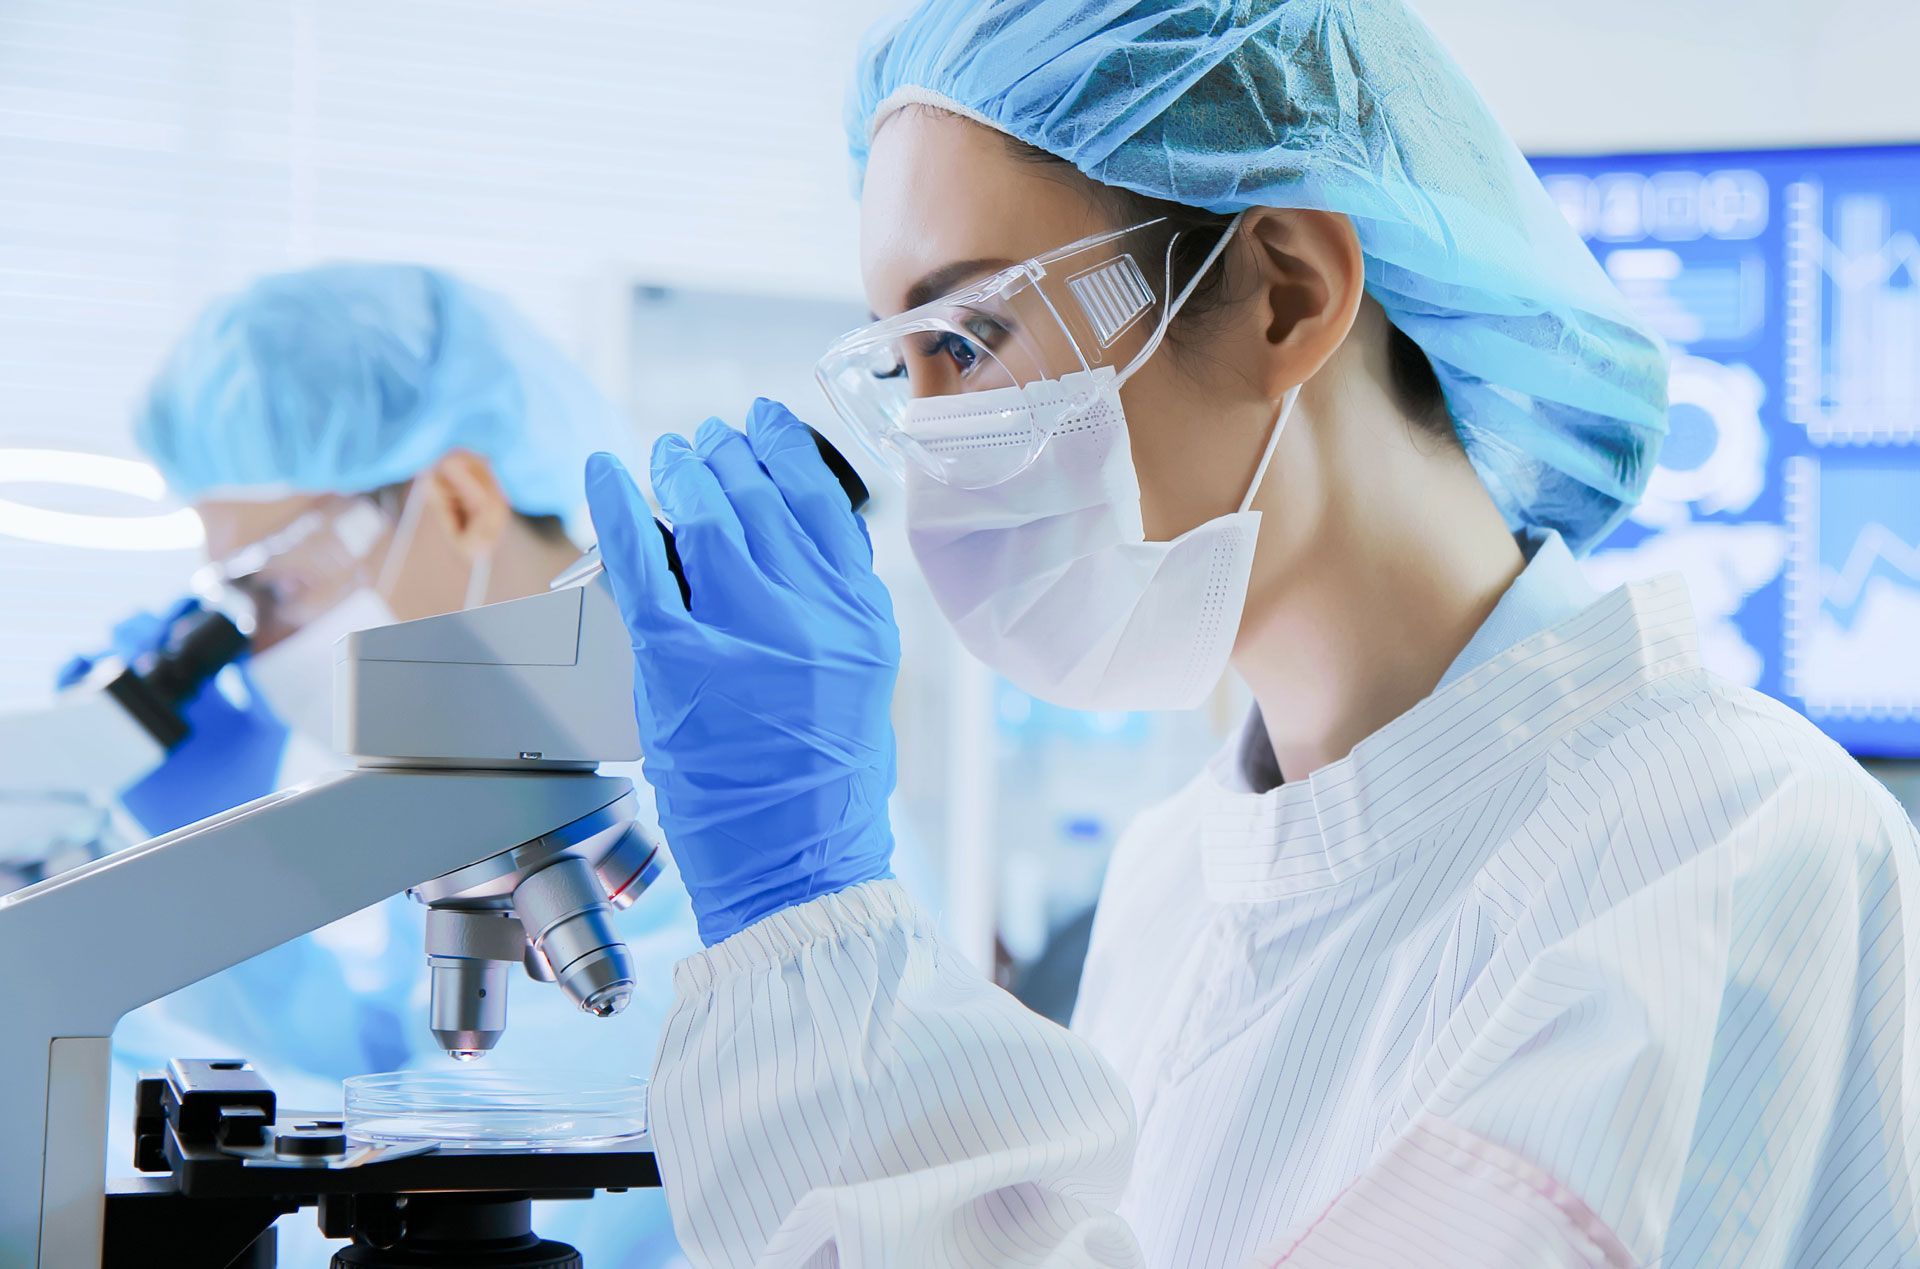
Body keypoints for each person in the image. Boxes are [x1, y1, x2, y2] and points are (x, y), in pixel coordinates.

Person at [583, 2, 1920, 1265]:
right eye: (902, 366)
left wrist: (822, 950)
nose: (933, 450)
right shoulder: (1180, 879)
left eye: (973, 335)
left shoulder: (1729, 844)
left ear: (1283, 290)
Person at [78, 262, 696, 1267]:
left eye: (275, 586)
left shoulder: (704, 779)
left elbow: (466, 1134)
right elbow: (381, 1059)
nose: (263, 647)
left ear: (456, 501)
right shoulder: (464, 773)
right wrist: (207, 881)